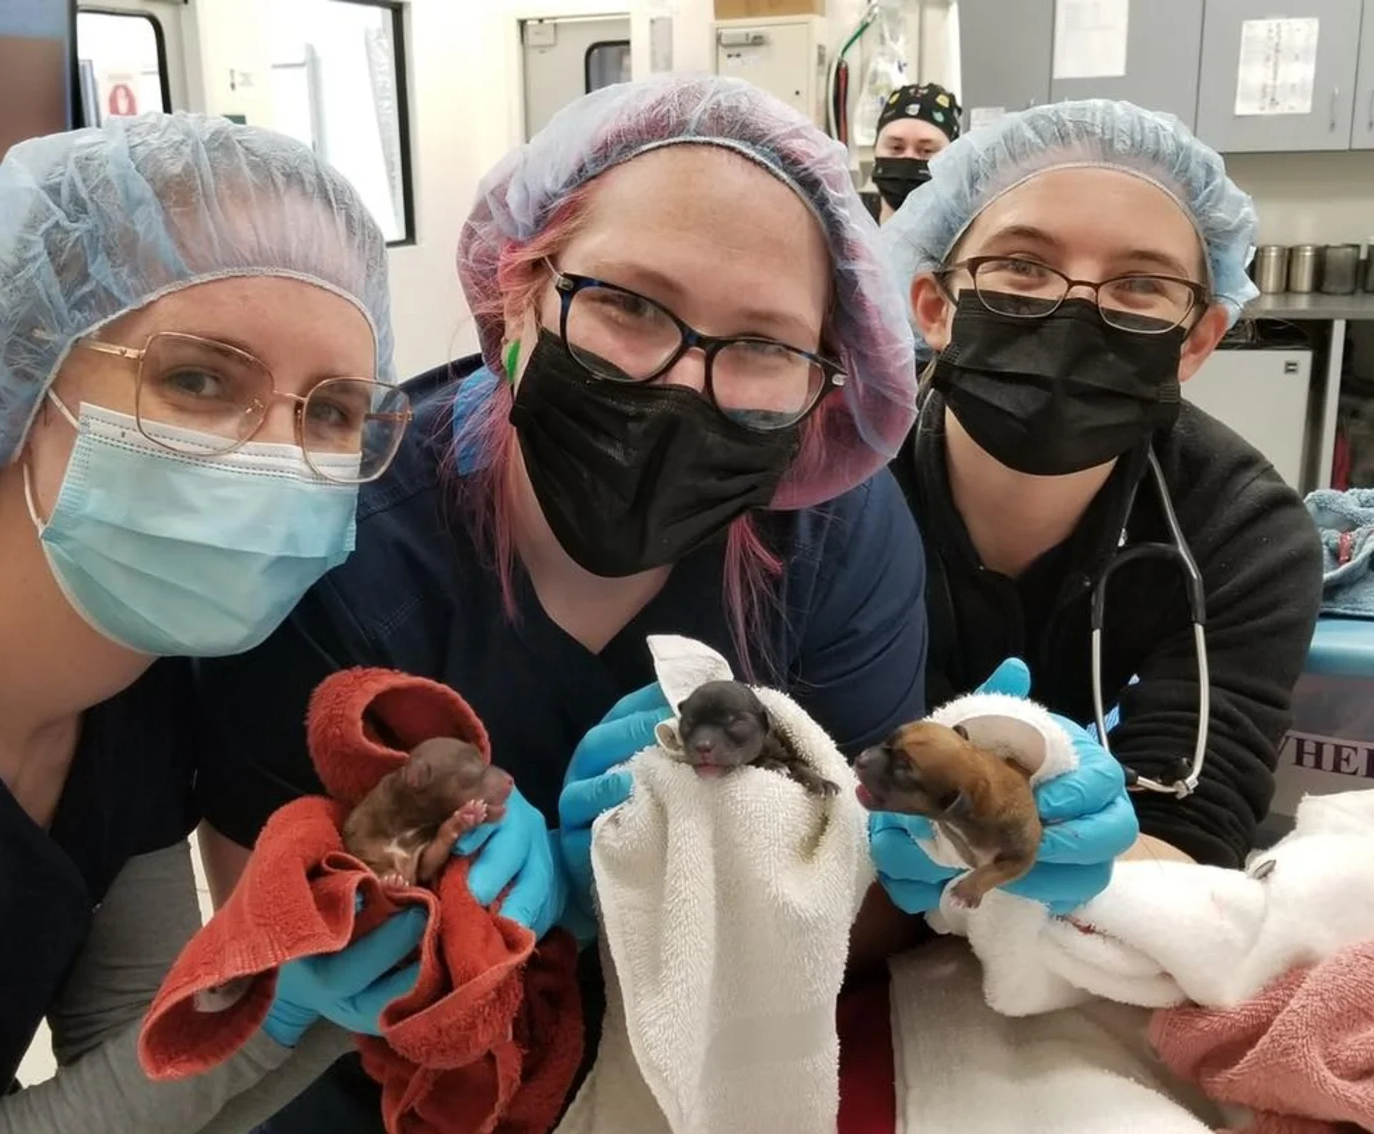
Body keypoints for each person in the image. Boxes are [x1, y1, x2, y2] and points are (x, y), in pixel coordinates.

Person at [191, 73, 931, 1128]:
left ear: (828, 379)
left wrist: (674, 888)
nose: (683, 382)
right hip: (385, 1072)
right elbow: (261, 896)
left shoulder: (837, 542)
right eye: (629, 304)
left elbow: (871, 915)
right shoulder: (344, 530)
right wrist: (389, 925)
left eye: (764, 345)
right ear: (521, 286)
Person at [0, 113, 446, 1132]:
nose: (279, 462)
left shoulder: (130, 664)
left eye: (332, 411)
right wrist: (275, 1011)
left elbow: (134, 1032)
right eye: (200, 379)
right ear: (21, 375)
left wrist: (310, 998)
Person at [871, 99, 1323, 910]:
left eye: (1142, 285)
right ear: (935, 307)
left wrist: (1065, 861)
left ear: (1196, 341)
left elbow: (1191, 833)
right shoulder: (830, 489)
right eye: (1022, 267)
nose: (1074, 313)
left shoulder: (1245, 533)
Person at [868, 81, 962, 223]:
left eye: (926, 150)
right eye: (896, 148)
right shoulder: (844, 231)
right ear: (875, 148)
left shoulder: (973, 239)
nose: (908, 159)